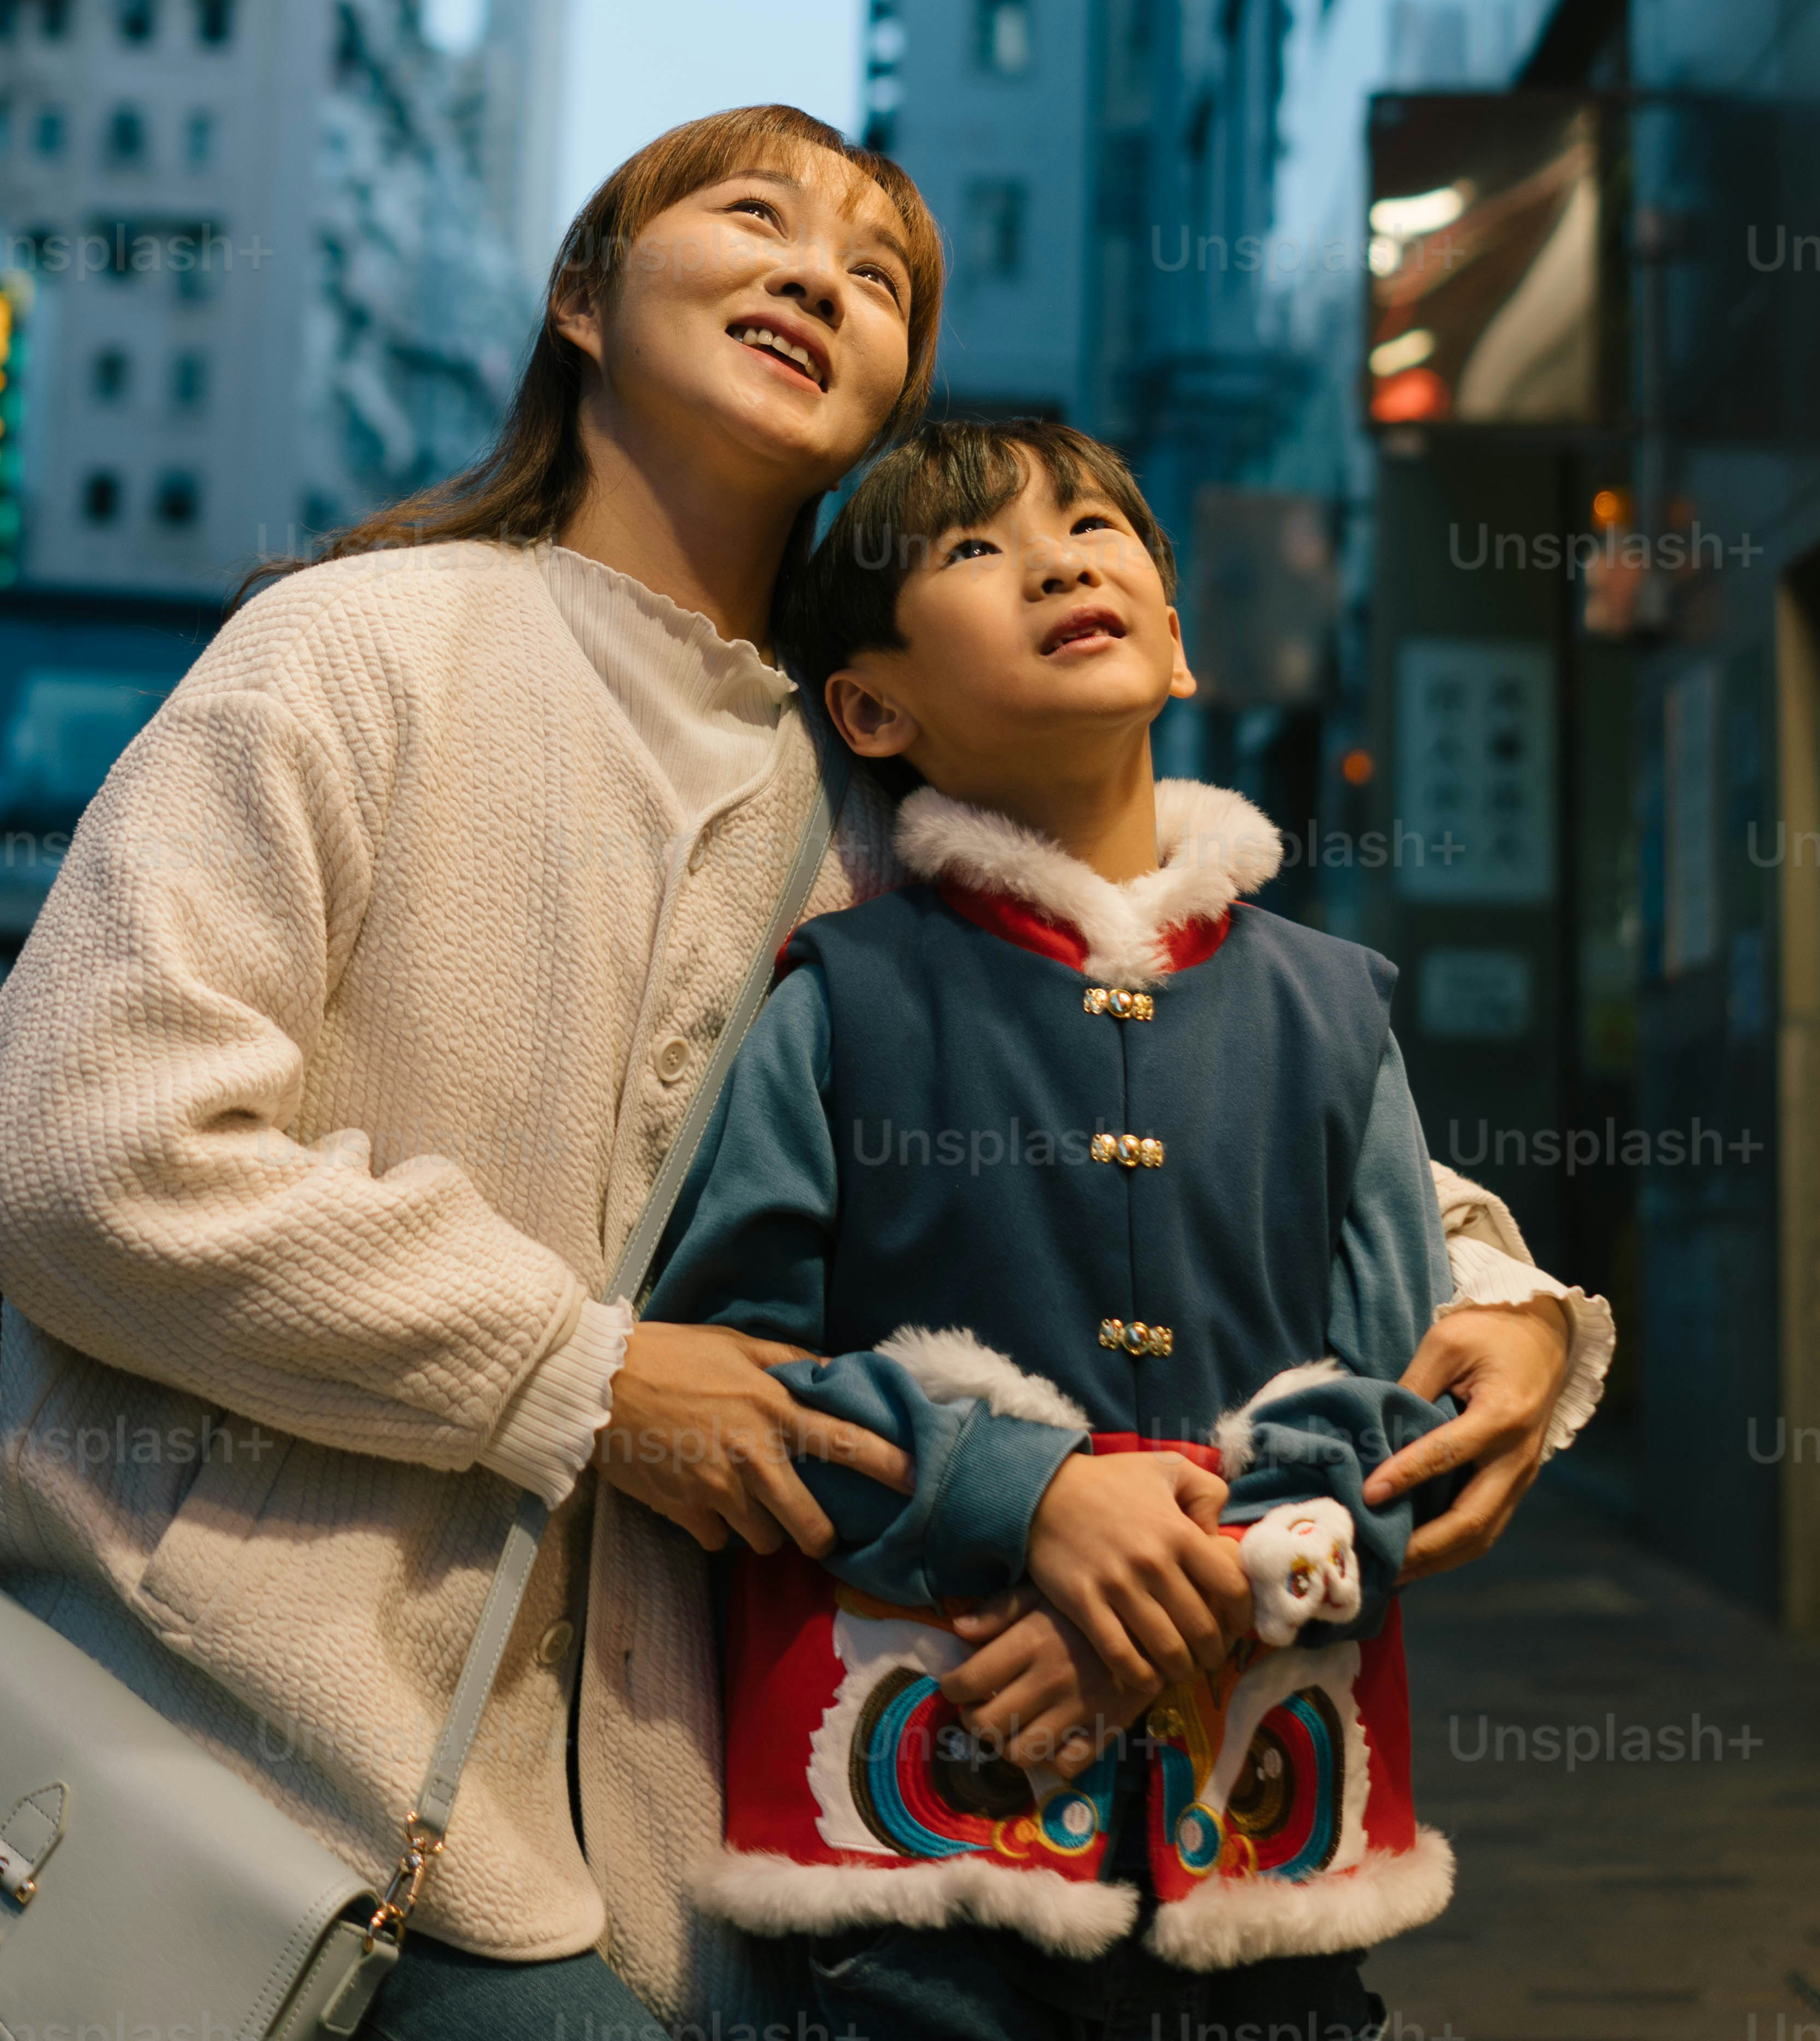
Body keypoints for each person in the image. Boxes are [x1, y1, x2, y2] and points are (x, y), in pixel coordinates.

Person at [0, 105, 1601, 2041]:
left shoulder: (898, 801)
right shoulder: (354, 650)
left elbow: (1197, 1047)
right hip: (267, 1726)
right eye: (755, 219)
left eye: (881, 274)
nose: (822, 276)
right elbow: (94, 1161)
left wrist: (1495, 1300)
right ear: (582, 296)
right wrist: (580, 1376)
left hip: (719, 1837)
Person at [650, 416, 1590, 2041]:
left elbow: (1401, 1392)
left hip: (1265, 1853)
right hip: (924, 1839)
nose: (1063, 556)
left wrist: (1221, 1581)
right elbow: (726, 1381)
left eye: (1098, 528)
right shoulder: (843, 1004)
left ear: (1175, 636)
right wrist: (1014, 1502)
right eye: (972, 548)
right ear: (870, 707)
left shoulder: (1328, 1009)